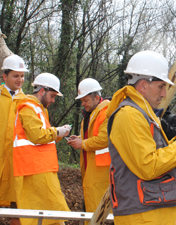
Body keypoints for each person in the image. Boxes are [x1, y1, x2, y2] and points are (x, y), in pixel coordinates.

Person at [106, 50, 176, 225]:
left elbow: (153, 154)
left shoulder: (142, 113)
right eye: (161, 86)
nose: (164, 94)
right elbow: (148, 165)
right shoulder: (129, 115)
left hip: (152, 212)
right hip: (144, 215)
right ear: (143, 86)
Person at [13, 73, 71, 225]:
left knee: (50, 215)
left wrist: (59, 134)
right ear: (41, 91)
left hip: (40, 169)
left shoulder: (38, 109)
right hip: (33, 170)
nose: (53, 100)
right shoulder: (28, 107)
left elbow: (43, 138)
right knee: (46, 215)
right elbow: (37, 135)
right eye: (52, 96)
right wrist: (58, 131)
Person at [67, 78, 110, 213]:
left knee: (100, 211)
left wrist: (83, 143)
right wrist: (79, 139)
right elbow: (93, 136)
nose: (83, 104)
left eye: (86, 100)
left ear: (97, 98)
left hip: (103, 171)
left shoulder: (107, 112)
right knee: (91, 207)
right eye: (82, 101)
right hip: (92, 168)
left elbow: (104, 139)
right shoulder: (91, 114)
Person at [0, 55, 28, 225]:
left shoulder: (27, 101)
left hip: (17, 163)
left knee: (17, 206)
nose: (20, 80)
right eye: (15, 76)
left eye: (22, 76)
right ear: (5, 76)